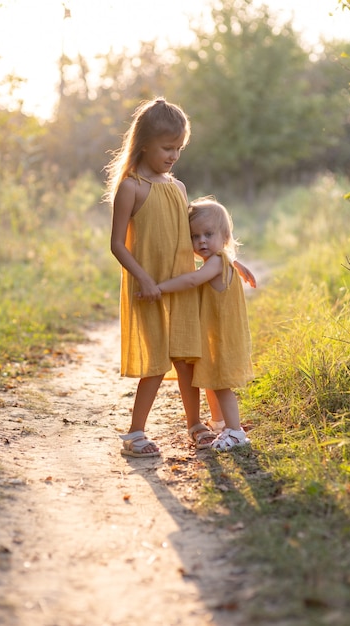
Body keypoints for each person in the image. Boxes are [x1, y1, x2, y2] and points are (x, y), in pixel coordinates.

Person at [107, 97, 255, 457]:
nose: (174, 155)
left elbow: (195, 244)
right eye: (167, 147)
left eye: (179, 148)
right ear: (144, 143)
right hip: (150, 289)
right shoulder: (132, 187)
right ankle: (135, 434)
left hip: (181, 286)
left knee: (187, 359)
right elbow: (116, 244)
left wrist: (230, 262)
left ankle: (196, 425)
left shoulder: (177, 186)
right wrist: (143, 279)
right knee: (156, 362)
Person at [156, 196, 254, 451]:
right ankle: (220, 423)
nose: (201, 241)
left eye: (208, 234)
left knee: (222, 386)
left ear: (224, 236)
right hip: (218, 336)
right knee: (212, 381)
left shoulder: (214, 263)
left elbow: (191, 281)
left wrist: (159, 287)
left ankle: (236, 432)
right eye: (194, 236)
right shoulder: (223, 260)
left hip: (221, 338)